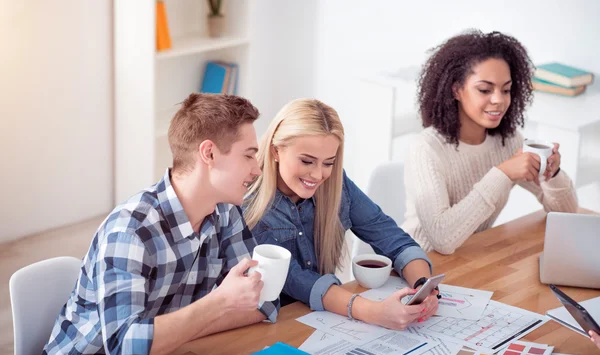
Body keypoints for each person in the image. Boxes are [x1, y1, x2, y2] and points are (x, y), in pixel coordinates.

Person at [32, 93, 276, 355]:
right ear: (209, 154)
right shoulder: (131, 230)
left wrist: (173, 333)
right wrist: (220, 303)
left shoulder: (224, 212)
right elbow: (125, 351)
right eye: (249, 155)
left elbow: (262, 303)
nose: (257, 169)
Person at [243, 98, 438, 331]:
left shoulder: (337, 185)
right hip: (267, 329)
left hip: (321, 321)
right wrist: (374, 312)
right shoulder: (248, 203)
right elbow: (296, 280)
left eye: (329, 163)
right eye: (307, 161)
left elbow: (390, 236)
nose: (318, 175)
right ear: (276, 151)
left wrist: (424, 287)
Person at [402, 30, 578, 254]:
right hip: (418, 266)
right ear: (456, 89)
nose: (499, 100)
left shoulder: (508, 142)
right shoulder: (426, 148)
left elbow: (567, 214)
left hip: (471, 261)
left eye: (506, 90)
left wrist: (552, 174)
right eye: (485, 90)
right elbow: (442, 239)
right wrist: (502, 174)